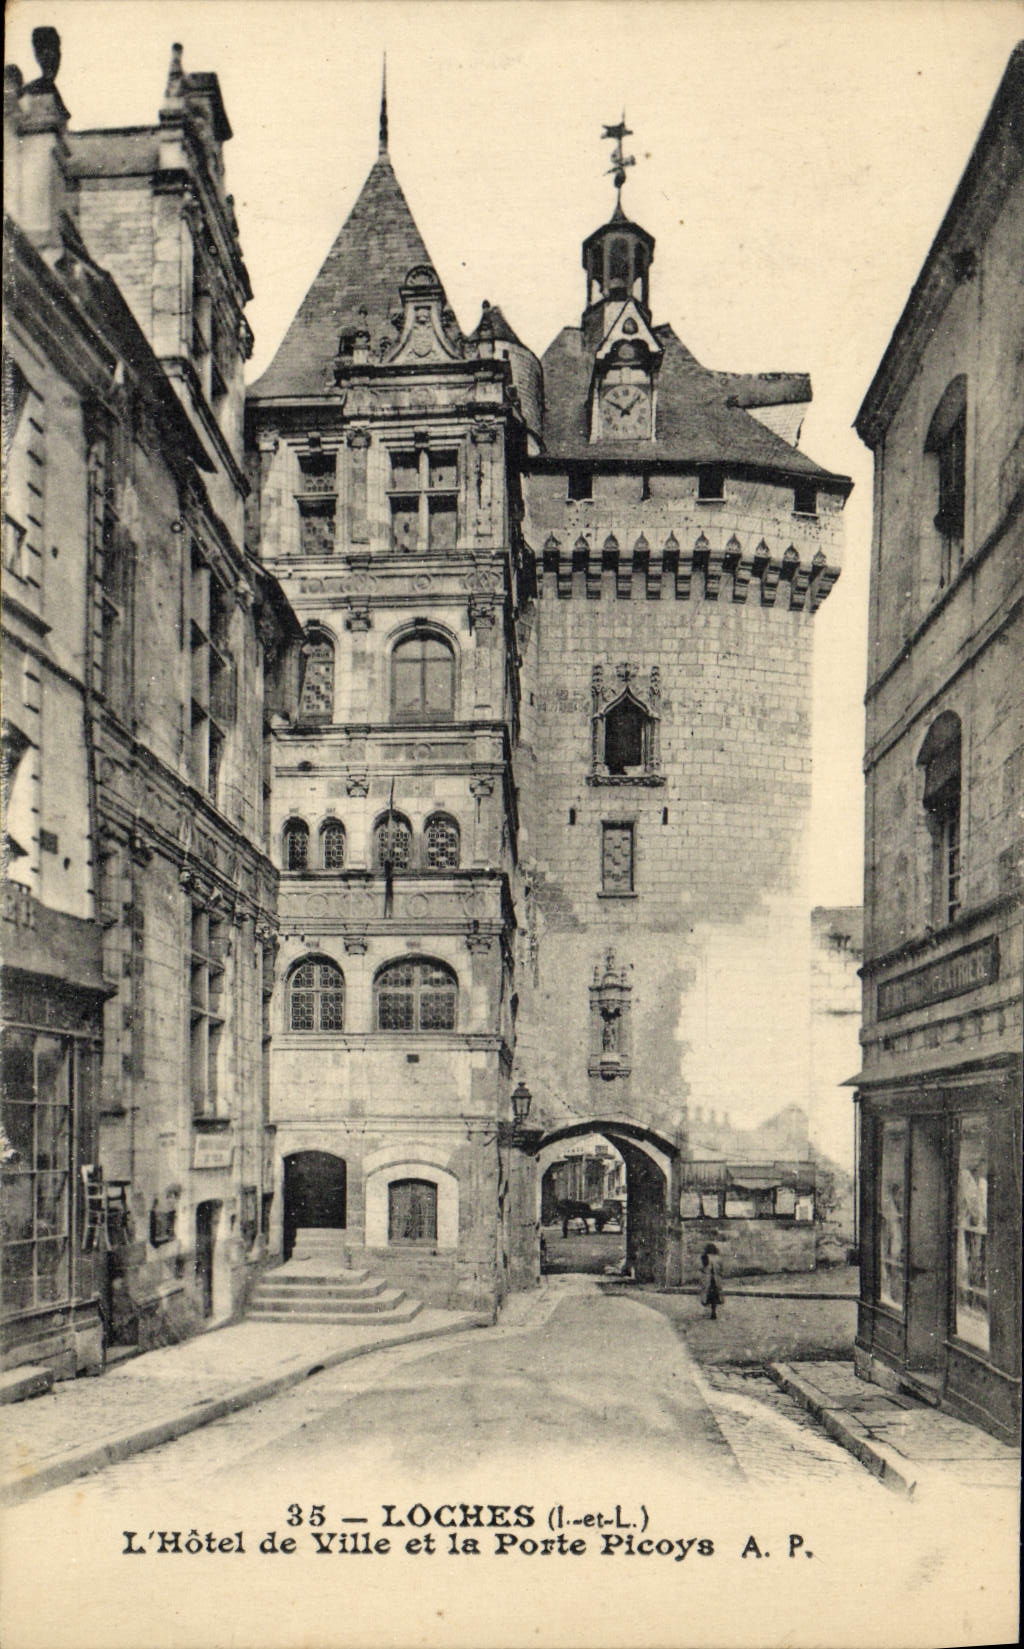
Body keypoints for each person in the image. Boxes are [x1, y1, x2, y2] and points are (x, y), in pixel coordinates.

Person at [700, 1247, 723, 1321]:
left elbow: (703, 1267)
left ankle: (711, 1312)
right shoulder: (718, 1258)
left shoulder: (705, 1257)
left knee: (708, 1296)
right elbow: (721, 1269)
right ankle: (713, 1312)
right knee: (715, 1297)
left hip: (709, 1280)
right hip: (716, 1280)